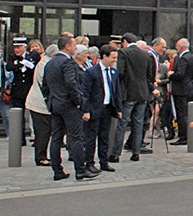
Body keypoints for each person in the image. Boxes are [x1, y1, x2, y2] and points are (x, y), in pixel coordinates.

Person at [42, 34, 94, 181]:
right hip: (68, 104)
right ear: (67, 46)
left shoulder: (50, 63)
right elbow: (71, 84)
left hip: (55, 103)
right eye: (74, 45)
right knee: (76, 137)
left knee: (56, 138)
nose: (76, 48)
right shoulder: (67, 63)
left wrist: (49, 99)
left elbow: (45, 85)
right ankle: (80, 169)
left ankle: (57, 170)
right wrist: (78, 101)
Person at [114, 32, 156, 162]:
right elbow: (149, 75)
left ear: (125, 42)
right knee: (138, 124)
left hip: (128, 93)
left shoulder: (123, 52)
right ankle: (136, 152)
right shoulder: (145, 54)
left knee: (122, 123)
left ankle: (116, 153)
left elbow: (120, 72)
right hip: (142, 93)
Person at [80, 44, 122, 174]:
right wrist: (85, 110)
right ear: (104, 56)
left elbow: (117, 91)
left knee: (105, 137)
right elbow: (85, 92)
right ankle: (89, 163)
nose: (115, 60)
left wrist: (118, 108)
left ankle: (104, 161)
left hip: (108, 109)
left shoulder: (114, 72)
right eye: (113, 57)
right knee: (91, 138)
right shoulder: (91, 72)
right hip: (94, 109)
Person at [25, 44, 56, 165]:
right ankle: (40, 157)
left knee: (45, 131)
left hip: (43, 103)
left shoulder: (46, 62)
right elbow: (46, 82)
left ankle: (43, 155)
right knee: (42, 132)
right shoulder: (44, 64)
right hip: (39, 104)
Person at [167, 39, 193, 146]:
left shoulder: (183, 59)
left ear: (180, 47)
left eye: (177, 46)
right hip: (190, 88)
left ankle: (183, 136)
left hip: (181, 89)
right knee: (186, 113)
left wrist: (170, 75)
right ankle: (187, 135)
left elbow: (180, 74)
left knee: (181, 114)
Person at [6, 34, 35, 140]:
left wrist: (24, 63)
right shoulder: (13, 57)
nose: (16, 50)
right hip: (18, 90)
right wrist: (20, 63)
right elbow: (9, 67)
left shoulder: (32, 55)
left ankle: (34, 136)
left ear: (24, 47)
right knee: (18, 115)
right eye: (15, 47)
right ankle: (20, 138)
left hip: (29, 89)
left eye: (18, 47)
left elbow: (34, 66)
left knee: (33, 114)